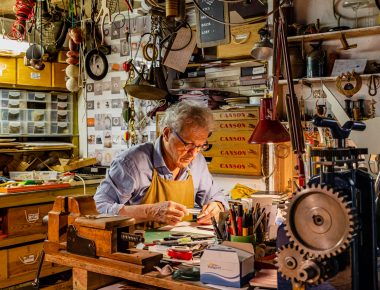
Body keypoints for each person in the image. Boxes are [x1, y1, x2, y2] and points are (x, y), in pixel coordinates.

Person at [94, 101, 227, 226]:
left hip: (182, 245)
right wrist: (149, 212)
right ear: (167, 133)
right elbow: (98, 207)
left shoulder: (197, 162)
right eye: (188, 144)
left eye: (200, 146)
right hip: (137, 245)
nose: (193, 153)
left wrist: (217, 206)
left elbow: (217, 196)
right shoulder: (131, 163)